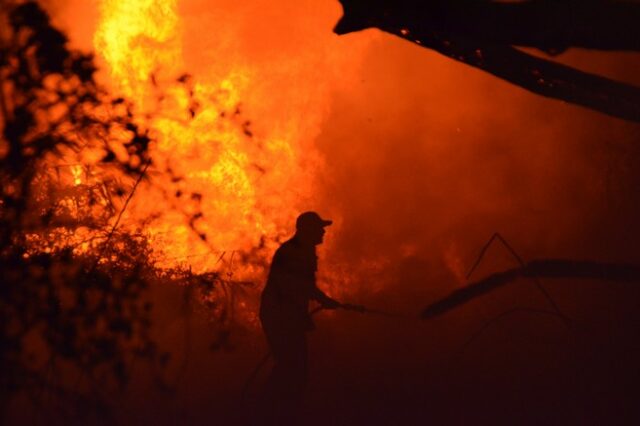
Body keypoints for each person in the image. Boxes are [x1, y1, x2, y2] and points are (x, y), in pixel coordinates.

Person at [258, 211, 342, 422]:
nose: (323, 232)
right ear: (307, 230)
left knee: (294, 367)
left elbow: (303, 286)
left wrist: (320, 300)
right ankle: (268, 411)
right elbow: (296, 285)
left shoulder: (303, 250)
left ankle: (279, 410)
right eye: (319, 228)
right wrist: (323, 299)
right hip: (280, 317)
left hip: (287, 317)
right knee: (292, 366)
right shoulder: (294, 252)